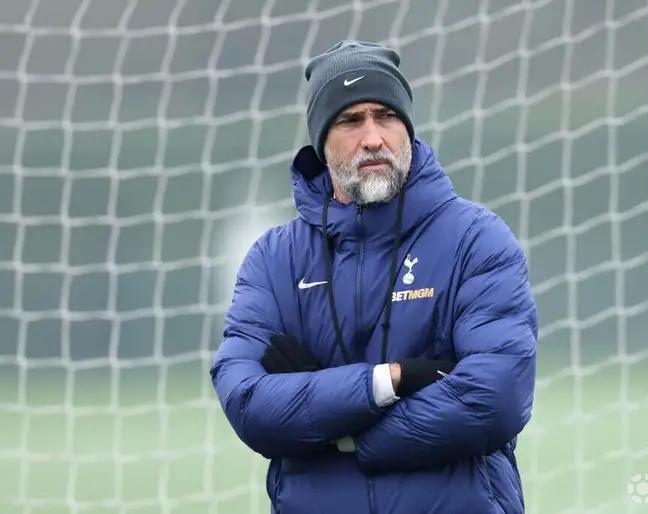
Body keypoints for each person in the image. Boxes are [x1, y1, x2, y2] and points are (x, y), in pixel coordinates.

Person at [210, 40, 538, 514]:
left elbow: (496, 396)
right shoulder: (274, 259)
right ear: (321, 142)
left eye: (386, 116)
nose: (373, 138)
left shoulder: (475, 239)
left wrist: (340, 432)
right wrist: (389, 381)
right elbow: (248, 403)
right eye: (350, 120)